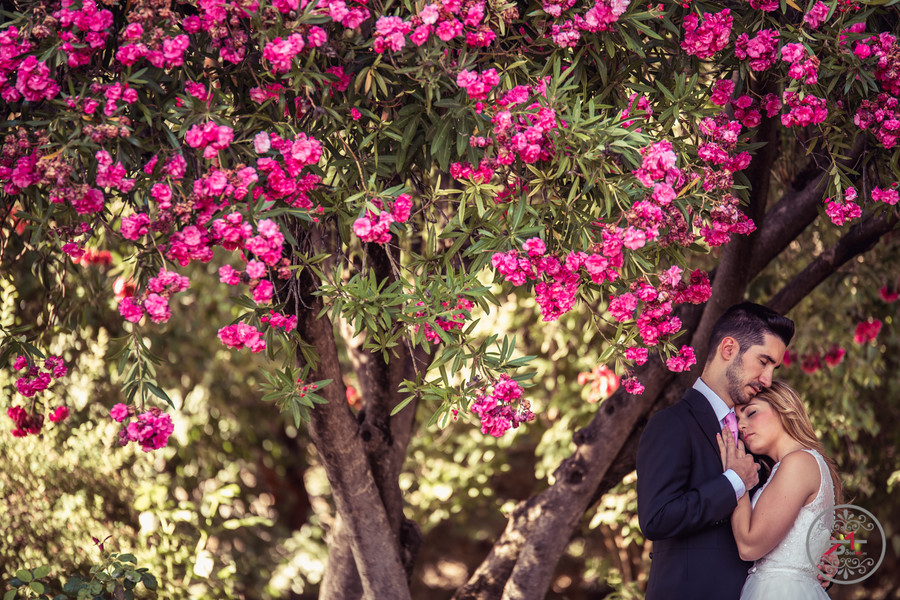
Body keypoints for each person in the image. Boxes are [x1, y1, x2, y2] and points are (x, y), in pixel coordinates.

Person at [636, 302, 795, 600]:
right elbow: (656, 518)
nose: (768, 379)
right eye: (764, 361)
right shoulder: (672, 424)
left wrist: (810, 570)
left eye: (774, 368)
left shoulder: (757, 436)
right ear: (728, 348)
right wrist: (734, 482)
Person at [718, 381, 841, 599]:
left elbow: (748, 546)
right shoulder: (789, 467)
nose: (742, 425)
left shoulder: (799, 463)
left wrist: (737, 478)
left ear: (785, 408)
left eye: (751, 413)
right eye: (738, 420)